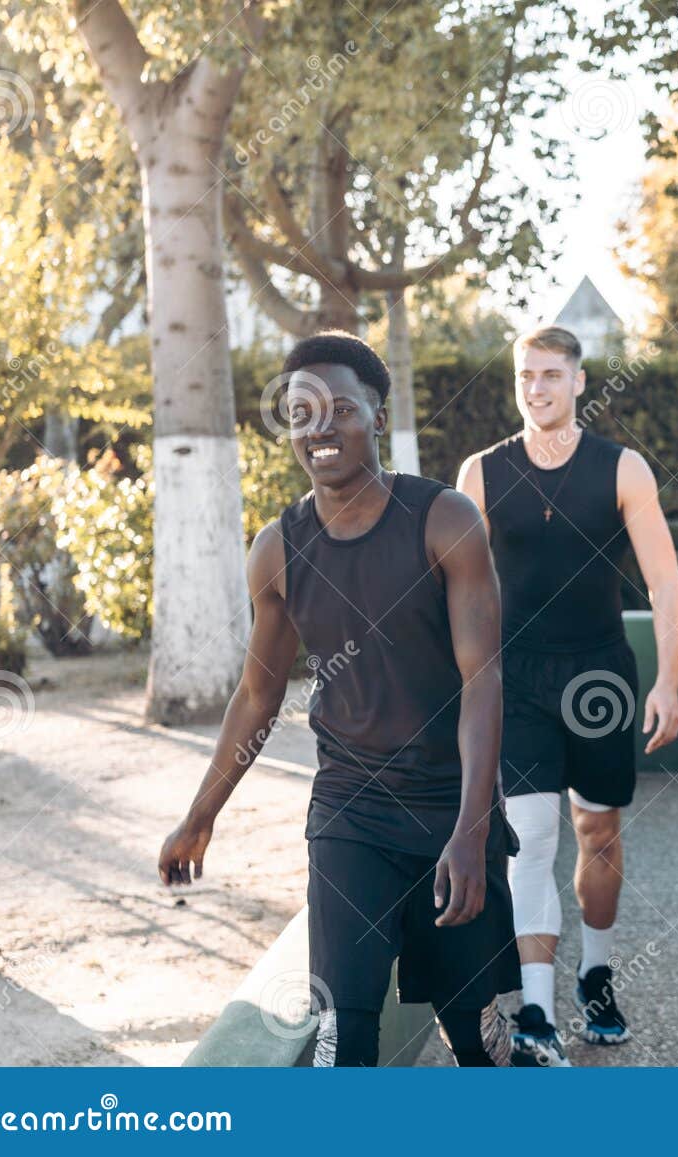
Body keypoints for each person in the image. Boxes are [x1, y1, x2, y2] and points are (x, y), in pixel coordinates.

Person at [158, 331, 520, 1067]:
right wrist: (200, 817)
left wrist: (472, 829)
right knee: (342, 1029)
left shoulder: (446, 521)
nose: (319, 427)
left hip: (449, 803)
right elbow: (257, 696)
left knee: (471, 1037)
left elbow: (484, 679)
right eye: (300, 412)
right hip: (349, 808)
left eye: (339, 409)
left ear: (378, 419)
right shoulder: (278, 551)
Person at [457, 325, 678, 1066]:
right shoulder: (482, 474)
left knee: (597, 834)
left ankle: (596, 969)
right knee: (530, 843)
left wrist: (670, 680)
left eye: (552, 375)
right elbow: (461, 594)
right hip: (516, 678)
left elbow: (664, 585)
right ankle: (534, 1008)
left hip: (599, 678)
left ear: (580, 381)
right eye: (526, 375)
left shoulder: (623, 469)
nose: (537, 388)